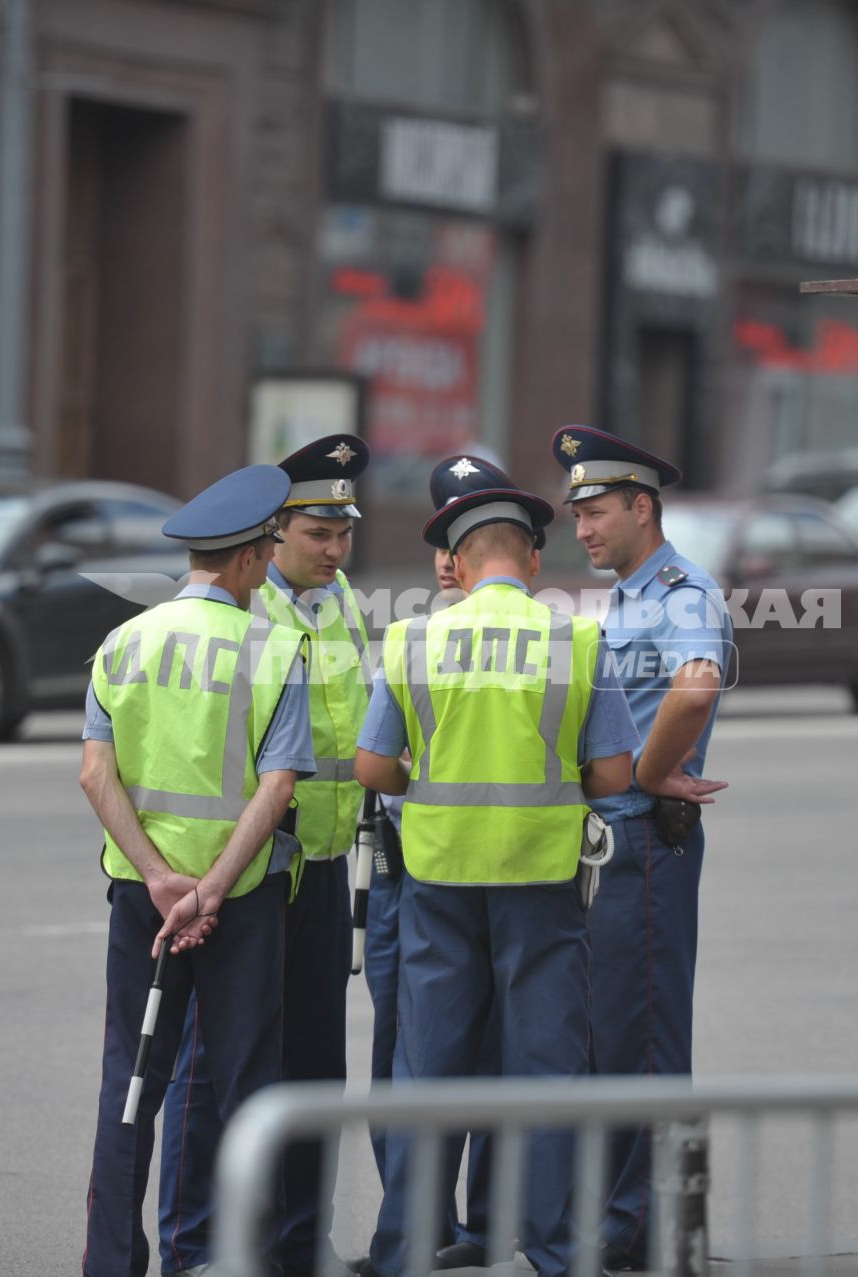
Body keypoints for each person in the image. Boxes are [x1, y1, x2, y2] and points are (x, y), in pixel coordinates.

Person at [356, 466, 640, 1277]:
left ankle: (405, 1246)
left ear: (457, 559)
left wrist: (429, 787)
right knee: (547, 1067)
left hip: (438, 882)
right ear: (532, 562)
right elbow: (615, 775)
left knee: (426, 1068)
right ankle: (550, 1249)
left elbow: (373, 766)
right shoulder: (577, 638)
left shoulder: (413, 636)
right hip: (543, 883)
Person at [79, 464, 316, 1277]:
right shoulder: (277, 648)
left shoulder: (123, 642)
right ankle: (245, 1260)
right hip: (239, 905)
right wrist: (212, 885)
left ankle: (111, 1261)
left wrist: (156, 876)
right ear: (252, 558)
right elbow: (278, 784)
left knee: (131, 1080)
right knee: (248, 1086)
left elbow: (94, 775)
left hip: (142, 902)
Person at [157, 435, 373, 1277]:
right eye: (318, 533)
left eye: (343, 532)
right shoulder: (244, 607)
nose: (335, 549)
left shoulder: (346, 600)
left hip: (320, 866)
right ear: (270, 534)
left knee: (318, 1063)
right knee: (225, 1063)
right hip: (249, 872)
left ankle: (298, 1245)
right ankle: (206, 1248)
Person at [550, 425, 731, 1272]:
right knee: (608, 1035)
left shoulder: (681, 591)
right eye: (576, 513)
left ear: (642, 506)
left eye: (595, 511)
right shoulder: (627, 595)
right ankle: (623, 1222)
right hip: (609, 843)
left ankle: (651, 1230)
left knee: (645, 1040)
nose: (582, 527)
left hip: (644, 842)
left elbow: (696, 685)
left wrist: (656, 774)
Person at [363, 456, 520, 1273]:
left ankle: (485, 1228)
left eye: (459, 532)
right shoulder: (413, 633)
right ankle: (415, 1226)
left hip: (483, 873)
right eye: (440, 533)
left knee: (487, 1050)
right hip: (405, 868)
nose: (444, 556)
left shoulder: (529, 636)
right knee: (406, 1056)